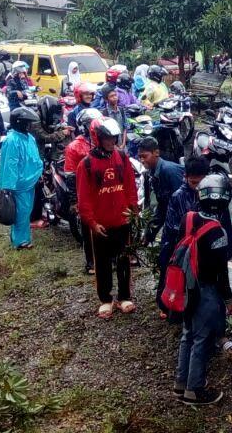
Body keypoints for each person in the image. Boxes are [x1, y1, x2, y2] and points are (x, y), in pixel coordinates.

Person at [173, 173, 232, 406]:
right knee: (202, 340)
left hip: (186, 286)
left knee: (187, 334)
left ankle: (181, 383)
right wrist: (229, 300)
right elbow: (222, 273)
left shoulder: (188, 218)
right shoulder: (218, 233)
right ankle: (195, 390)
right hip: (206, 290)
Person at [76, 117, 140, 319]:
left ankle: (124, 296)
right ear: (98, 138)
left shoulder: (122, 158)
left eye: (113, 138)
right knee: (102, 263)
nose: (111, 142)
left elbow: (130, 186)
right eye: (107, 138)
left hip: (122, 221)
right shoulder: (86, 165)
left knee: (123, 260)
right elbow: (83, 198)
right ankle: (105, 299)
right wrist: (92, 223)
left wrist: (134, 212)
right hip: (101, 225)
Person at [149, 154, 208, 319]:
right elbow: (175, 227)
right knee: (173, 276)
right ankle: (167, 304)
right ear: (186, 177)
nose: (197, 187)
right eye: (193, 183)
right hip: (178, 244)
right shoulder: (178, 196)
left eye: (200, 183)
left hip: (198, 244)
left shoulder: (209, 193)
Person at [63, 107, 103, 273]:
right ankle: (91, 262)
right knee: (88, 229)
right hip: (85, 191)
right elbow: (71, 175)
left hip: (103, 191)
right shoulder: (75, 147)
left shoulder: (103, 143)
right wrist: (74, 200)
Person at [0, 107, 42, 250]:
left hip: (30, 181)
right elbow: (10, 165)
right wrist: (8, 188)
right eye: (28, 123)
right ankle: (20, 242)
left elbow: (35, 158)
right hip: (19, 184)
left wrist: (39, 173)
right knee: (21, 213)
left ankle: (24, 238)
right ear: (20, 123)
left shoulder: (29, 138)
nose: (30, 126)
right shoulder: (12, 140)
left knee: (26, 211)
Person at [29, 97, 72, 229]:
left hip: (42, 153)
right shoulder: (34, 120)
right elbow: (44, 136)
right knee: (36, 185)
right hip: (34, 155)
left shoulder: (50, 116)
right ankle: (33, 218)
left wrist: (63, 128)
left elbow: (52, 127)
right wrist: (62, 133)